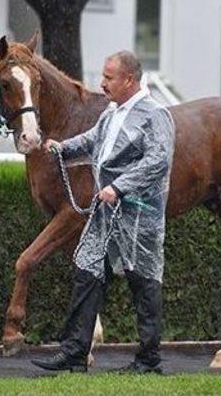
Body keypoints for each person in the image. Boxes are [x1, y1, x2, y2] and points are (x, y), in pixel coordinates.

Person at [31, 51, 175, 374]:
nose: (102, 83)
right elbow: (94, 141)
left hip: (138, 218)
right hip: (106, 215)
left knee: (144, 284)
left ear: (129, 80)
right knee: (87, 274)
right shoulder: (113, 113)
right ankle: (74, 353)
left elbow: (158, 161)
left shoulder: (155, 115)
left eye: (109, 77)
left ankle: (149, 360)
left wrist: (120, 187)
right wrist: (62, 148)